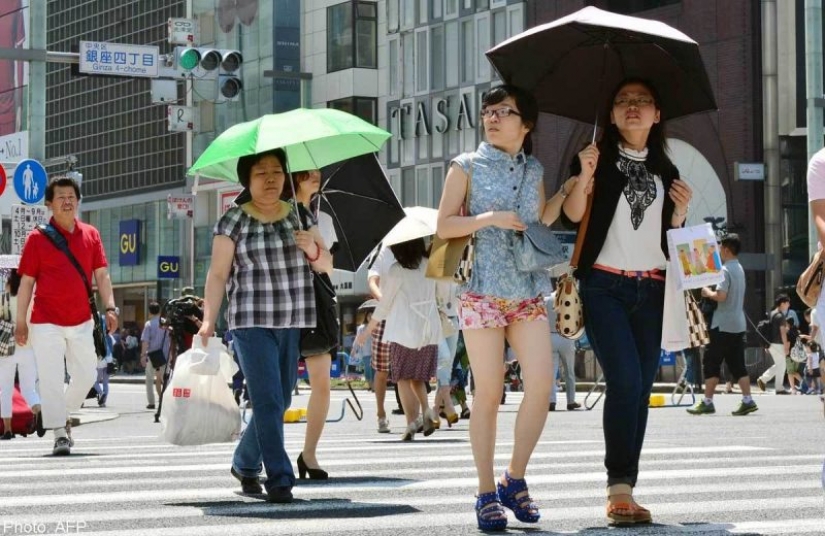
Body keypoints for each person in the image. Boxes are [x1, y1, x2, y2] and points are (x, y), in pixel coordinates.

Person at [561, 78, 692, 525]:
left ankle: (627, 489)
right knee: (624, 382)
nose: (632, 108)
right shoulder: (595, 158)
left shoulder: (667, 171)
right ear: (612, 114)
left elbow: (671, 239)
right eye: (622, 101)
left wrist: (679, 212)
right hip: (604, 287)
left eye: (642, 102)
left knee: (639, 390)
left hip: (653, 288)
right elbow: (573, 215)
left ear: (657, 115)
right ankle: (617, 488)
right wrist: (584, 177)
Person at [436, 85, 566, 530]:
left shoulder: (535, 169)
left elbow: (539, 220)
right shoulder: (465, 166)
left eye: (503, 111)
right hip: (481, 289)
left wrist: (571, 188)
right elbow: (444, 225)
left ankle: (516, 477)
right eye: (488, 111)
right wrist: (488, 218)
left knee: (540, 384)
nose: (492, 118)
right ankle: (485, 490)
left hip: (528, 289)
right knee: (488, 393)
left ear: (525, 124)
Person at [197, 148, 330, 503]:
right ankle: (280, 477)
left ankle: (244, 461)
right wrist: (209, 318)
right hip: (250, 321)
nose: (270, 179)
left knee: (281, 397)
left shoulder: (300, 216)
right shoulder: (233, 220)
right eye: (261, 173)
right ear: (247, 180)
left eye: (276, 171)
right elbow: (218, 274)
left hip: (291, 319)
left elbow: (327, 264)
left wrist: (313, 250)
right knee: (269, 399)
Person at [14, 175, 119, 456]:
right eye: (61, 196)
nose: (67, 201)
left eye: (72, 196)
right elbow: (26, 282)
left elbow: (102, 274)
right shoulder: (37, 238)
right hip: (45, 320)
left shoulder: (91, 234)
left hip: (83, 319)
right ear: (49, 203)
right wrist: (20, 320)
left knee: (86, 376)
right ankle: (60, 433)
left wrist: (110, 306)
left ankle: (60, 414)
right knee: (50, 377)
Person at [354, 238, 441, 441]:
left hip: (403, 330)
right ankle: (427, 410)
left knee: (402, 377)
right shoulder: (430, 264)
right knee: (419, 377)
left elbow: (384, 305)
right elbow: (442, 294)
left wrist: (366, 332)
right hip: (428, 329)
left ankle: (412, 422)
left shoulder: (396, 270)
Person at [281, 168, 337, 480]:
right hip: (284, 304)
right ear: (296, 177)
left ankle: (309, 453)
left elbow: (327, 264)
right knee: (279, 387)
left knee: (322, 384)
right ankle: (268, 453)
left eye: (317, 174)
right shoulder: (281, 212)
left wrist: (312, 247)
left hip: (314, 305)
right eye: (308, 174)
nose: (316, 178)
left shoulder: (313, 219)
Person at [687, 234, 757, 416]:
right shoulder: (739, 268)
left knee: (711, 362)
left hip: (722, 324)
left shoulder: (725, 270)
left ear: (726, 249)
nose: (718, 252)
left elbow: (721, 296)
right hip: (738, 324)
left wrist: (707, 292)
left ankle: (708, 401)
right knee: (737, 364)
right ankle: (748, 400)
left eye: (720, 248)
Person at [0, 269, 41, 439]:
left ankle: (8, 429)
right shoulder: (32, 299)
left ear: (9, 282)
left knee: (5, 390)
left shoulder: (4, 298)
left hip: (7, 348)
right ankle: (39, 411)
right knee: (28, 389)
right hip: (28, 347)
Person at [367, 245, 396, 433]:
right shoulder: (382, 251)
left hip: (408, 316)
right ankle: (380, 414)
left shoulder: (415, 247)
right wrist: (384, 300)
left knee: (407, 372)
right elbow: (372, 281)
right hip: (385, 317)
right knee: (382, 371)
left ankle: (415, 416)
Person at [545, 292, 580, 411]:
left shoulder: (547, 300)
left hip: (550, 336)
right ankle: (570, 401)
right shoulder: (570, 300)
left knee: (551, 372)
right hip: (565, 336)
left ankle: (551, 401)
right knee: (569, 372)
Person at [756, 295, 791, 395]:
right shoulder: (780, 316)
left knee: (780, 365)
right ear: (782, 303)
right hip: (778, 343)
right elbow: (782, 331)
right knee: (782, 365)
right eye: (787, 303)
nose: (788, 305)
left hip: (771, 344)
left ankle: (763, 379)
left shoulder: (772, 314)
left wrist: (766, 345)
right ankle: (779, 388)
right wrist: (785, 345)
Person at [140, 301, 169, 411]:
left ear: (150, 312)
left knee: (149, 379)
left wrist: (143, 355)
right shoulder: (166, 323)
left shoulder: (149, 324)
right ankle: (166, 400)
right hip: (165, 355)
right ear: (160, 311)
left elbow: (145, 341)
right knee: (165, 379)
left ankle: (151, 402)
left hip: (152, 355)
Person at [94, 312, 114, 408]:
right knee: (106, 382)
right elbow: (113, 346)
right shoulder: (107, 336)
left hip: (99, 361)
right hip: (109, 360)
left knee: (94, 381)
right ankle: (103, 401)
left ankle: (101, 394)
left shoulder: (94, 337)